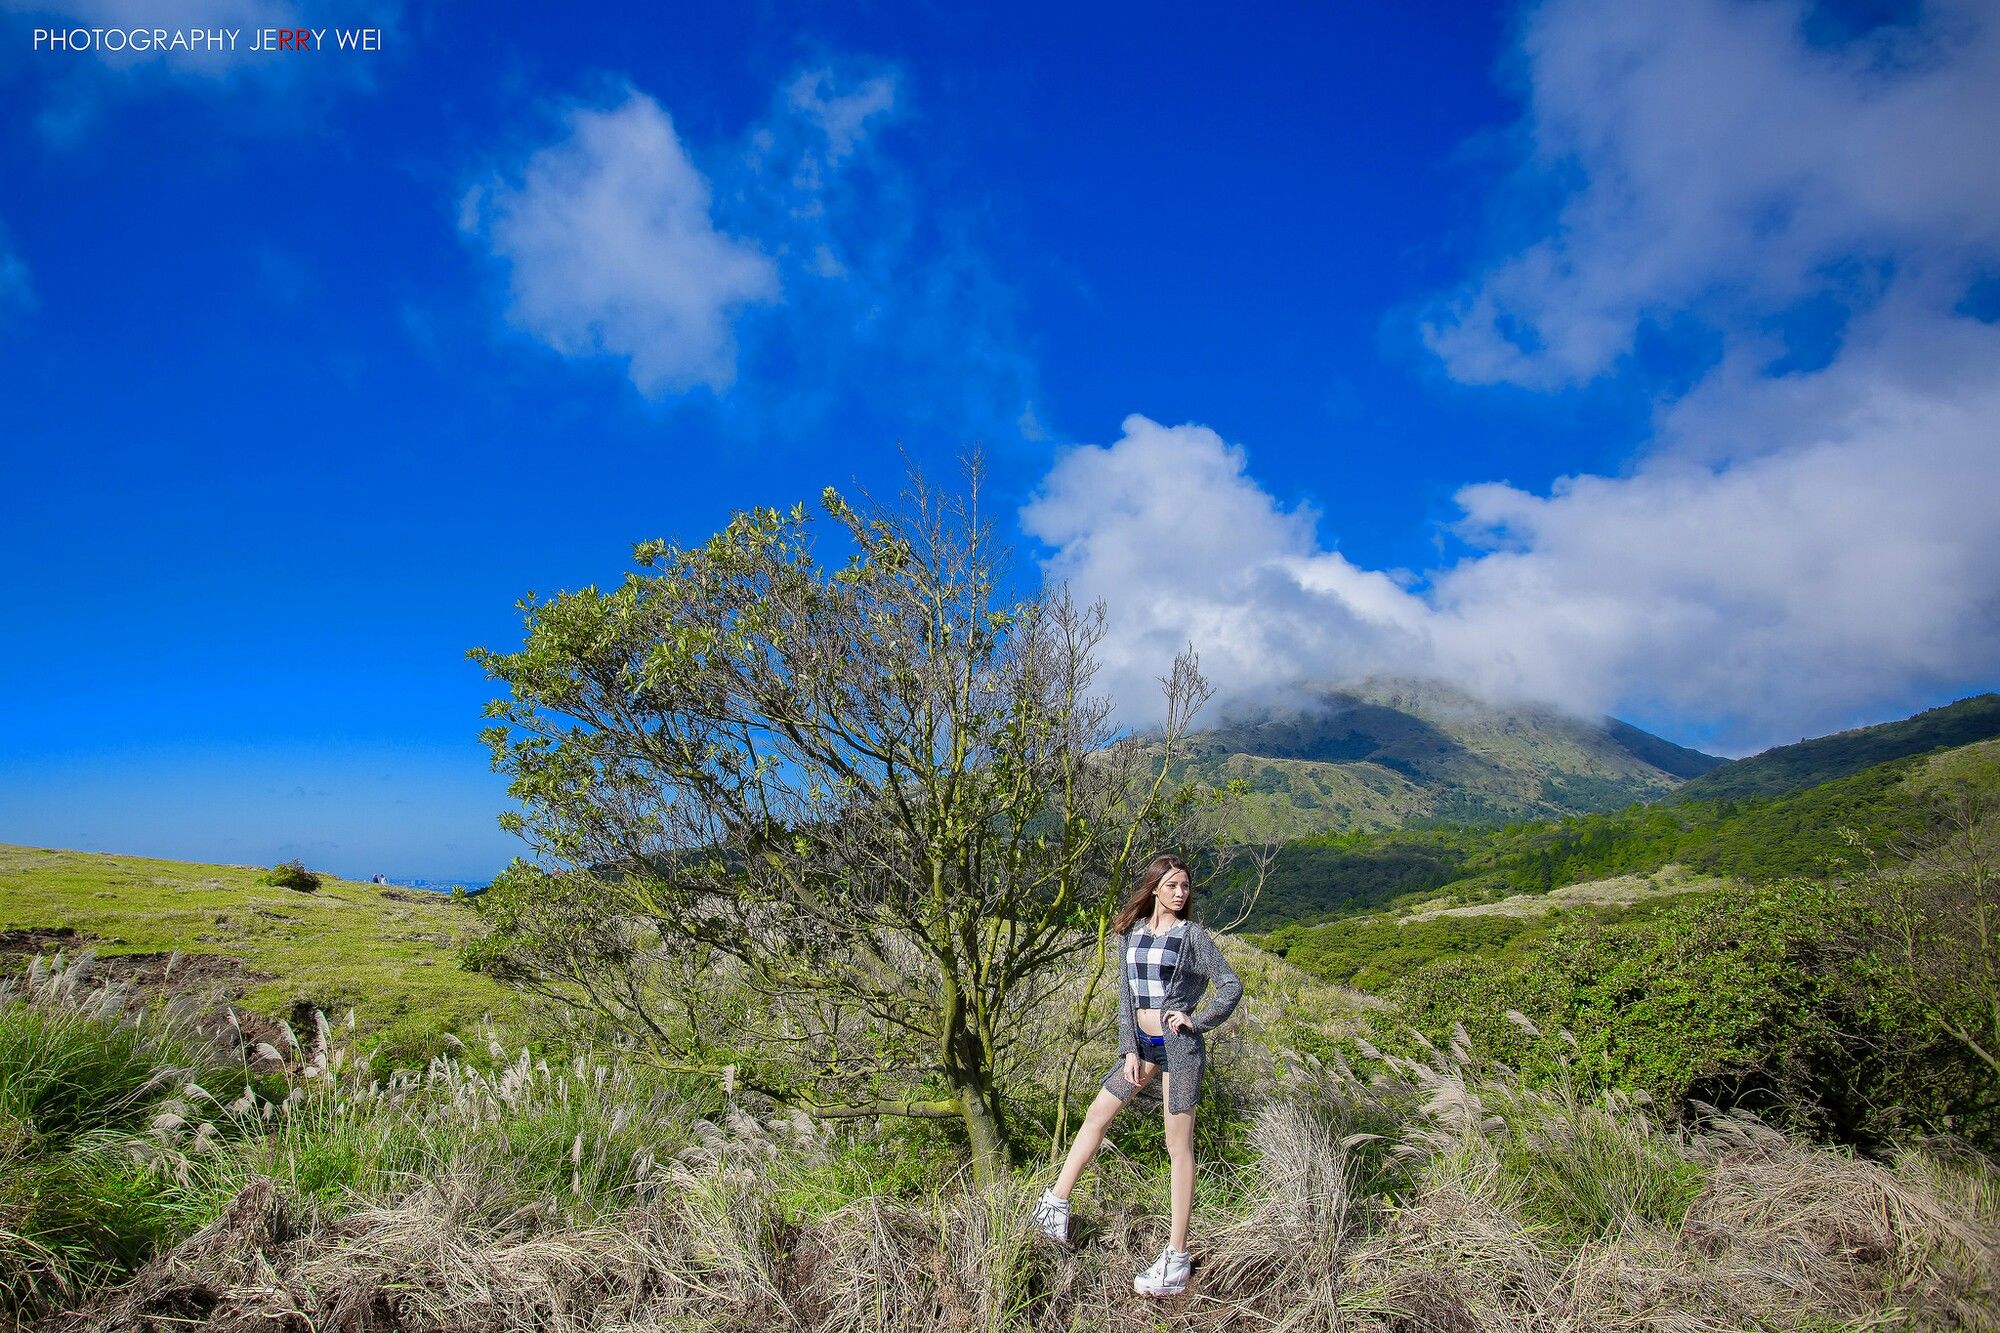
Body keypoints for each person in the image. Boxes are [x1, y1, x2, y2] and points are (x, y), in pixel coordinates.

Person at [1031, 853, 1243, 1297]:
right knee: (1097, 1113)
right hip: (1142, 1050)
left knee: (1177, 1147)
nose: (1181, 893)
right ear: (1153, 889)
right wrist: (1129, 1047)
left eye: (1185, 886)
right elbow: (1126, 998)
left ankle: (1177, 1258)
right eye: (1172, 886)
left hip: (1180, 1051)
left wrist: (1196, 1020)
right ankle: (1055, 1206)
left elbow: (1230, 985)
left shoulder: (1193, 937)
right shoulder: (1132, 936)